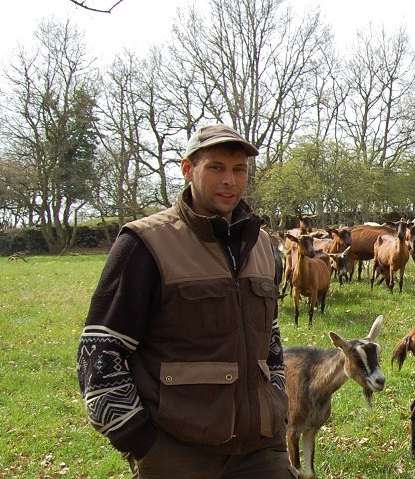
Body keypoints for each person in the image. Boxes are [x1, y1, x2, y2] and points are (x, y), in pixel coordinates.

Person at [77, 124, 293, 478]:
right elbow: (101, 352)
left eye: (239, 169)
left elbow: (270, 339)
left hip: (260, 450)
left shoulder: (262, 246)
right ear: (188, 169)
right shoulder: (145, 244)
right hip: (177, 451)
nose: (230, 180)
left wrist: (276, 404)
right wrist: (140, 440)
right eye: (216, 167)